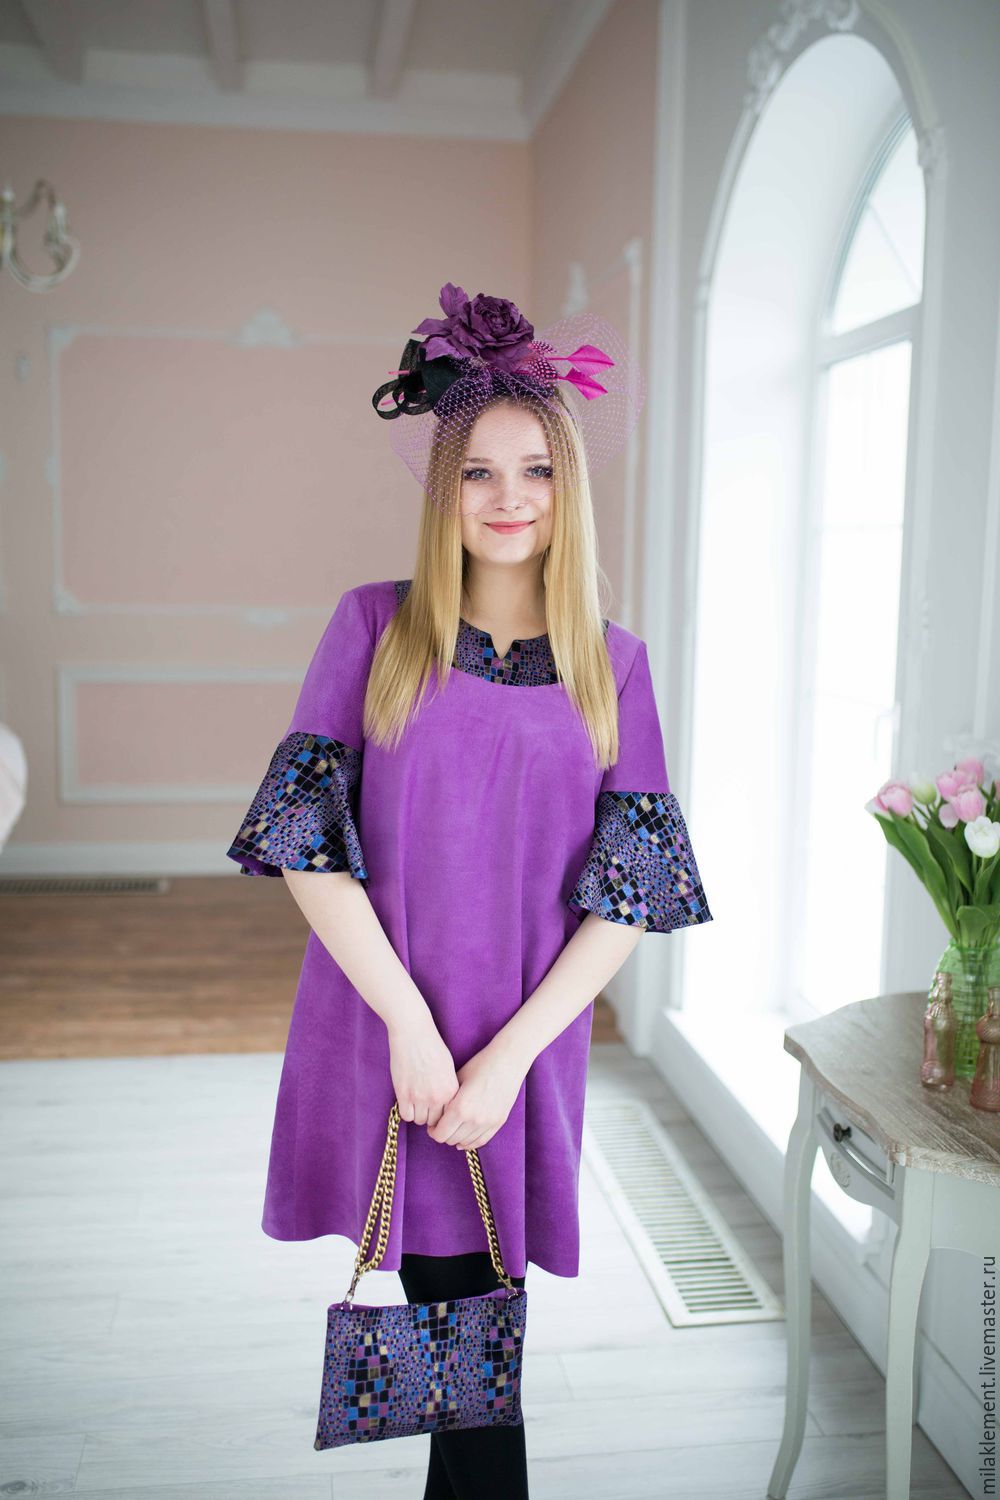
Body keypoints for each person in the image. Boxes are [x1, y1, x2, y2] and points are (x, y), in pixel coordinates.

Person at [226, 283, 713, 1499]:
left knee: (474, 1359)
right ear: (442, 488)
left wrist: (505, 1061)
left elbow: (628, 898)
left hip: (520, 1054)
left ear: (568, 488)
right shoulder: (374, 630)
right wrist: (409, 1026)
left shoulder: (615, 667)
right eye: (480, 471)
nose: (508, 497)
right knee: (470, 1353)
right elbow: (306, 845)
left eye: (536, 470)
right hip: (387, 1036)